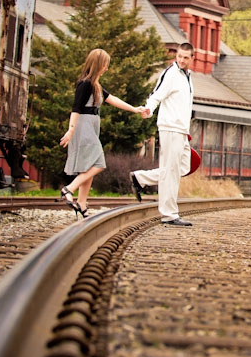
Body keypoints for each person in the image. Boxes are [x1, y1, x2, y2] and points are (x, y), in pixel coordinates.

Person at [60, 48, 146, 217]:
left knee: (89, 165)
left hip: (91, 126)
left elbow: (112, 99)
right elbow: (76, 108)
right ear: (98, 65)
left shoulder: (96, 85)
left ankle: (82, 204)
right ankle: (68, 189)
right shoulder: (84, 84)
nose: (106, 68)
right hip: (83, 125)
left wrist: (135, 109)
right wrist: (70, 131)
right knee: (99, 163)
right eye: (105, 65)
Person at [130, 42, 195, 226]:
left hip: (181, 130)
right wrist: (148, 109)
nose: (181, 60)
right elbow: (156, 95)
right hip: (170, 128)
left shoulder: (187, 76)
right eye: (179, 56)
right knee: (171, 171)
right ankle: (169, 214)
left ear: (192, 58)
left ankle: (140, 178)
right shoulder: (171, 74)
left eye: (185, 57)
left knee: (182, 167)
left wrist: (186, 129)